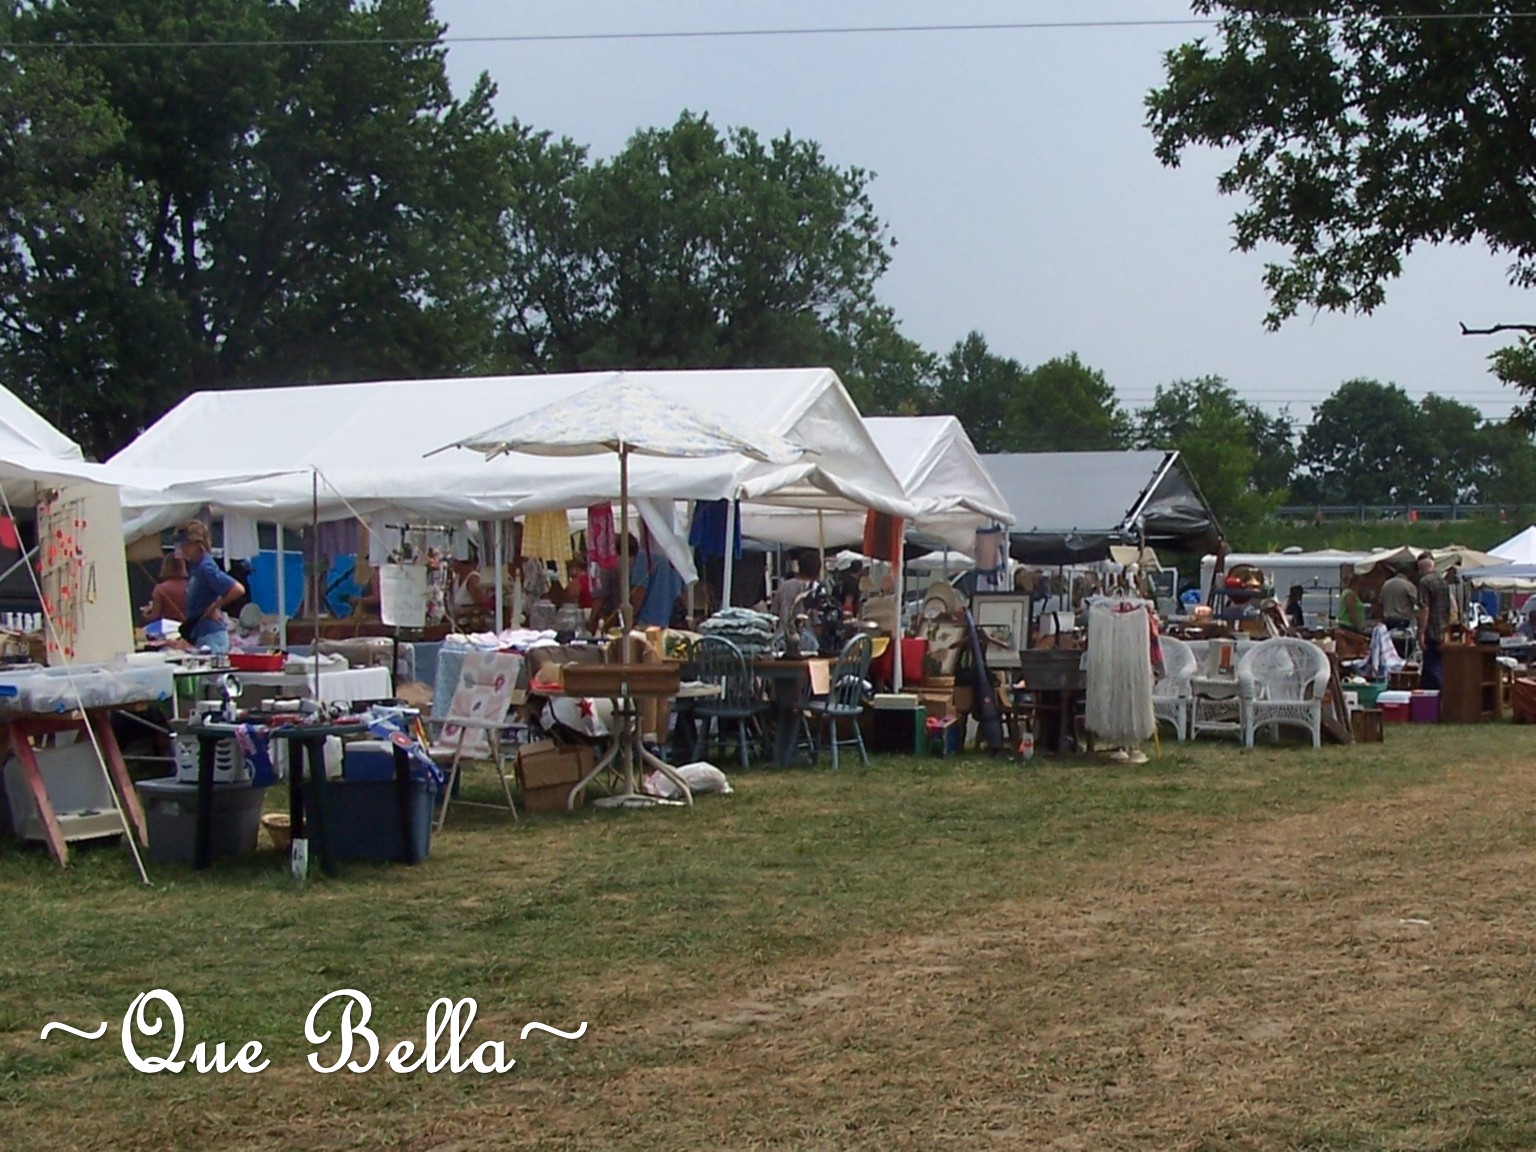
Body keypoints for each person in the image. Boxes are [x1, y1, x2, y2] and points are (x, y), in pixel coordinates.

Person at [177, 520, 245, 654]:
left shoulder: (206, 567)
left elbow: (237, 589)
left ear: (197, 544)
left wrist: (214, 607)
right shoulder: (195, 566)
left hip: (212, 635)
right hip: (200, 633)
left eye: (186, 544)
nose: (183, 548)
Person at [629, 531, 686, 629]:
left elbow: (639, 593)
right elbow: (683, 593)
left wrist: (631, 617)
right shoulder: (678, 555)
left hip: (648, 625)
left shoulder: (646, 556)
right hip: (671, 623)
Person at [1416, 552, 1451, 691]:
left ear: (1421, 568)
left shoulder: (1424, 582)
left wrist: (1421, 632)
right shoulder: (1444, 582)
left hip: (1431, 630)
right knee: (1440, 665)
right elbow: (1449, 606)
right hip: (1444, 629)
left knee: (1431, 667)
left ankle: (1439, 693)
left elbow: (1425, 608)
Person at [770, 551, 819, 636]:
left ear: (799, 567)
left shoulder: (784, 586)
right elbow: (818, 624)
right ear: (818, 570)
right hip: (807, 638)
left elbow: (773, 614)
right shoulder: (817, 589)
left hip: (783, 636)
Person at [141, 554, 188, 622]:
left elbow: (155, 616)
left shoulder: (160, 589)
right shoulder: (192, 585)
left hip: (170, 625)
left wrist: (145, 614)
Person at [1379, 562, 1419, 631]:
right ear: (1409, 572)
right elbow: (1417, 603)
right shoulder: (1409, 585)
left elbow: (1380, 601)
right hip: (1403, 621)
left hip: (1388, 620)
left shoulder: (1386, 584)